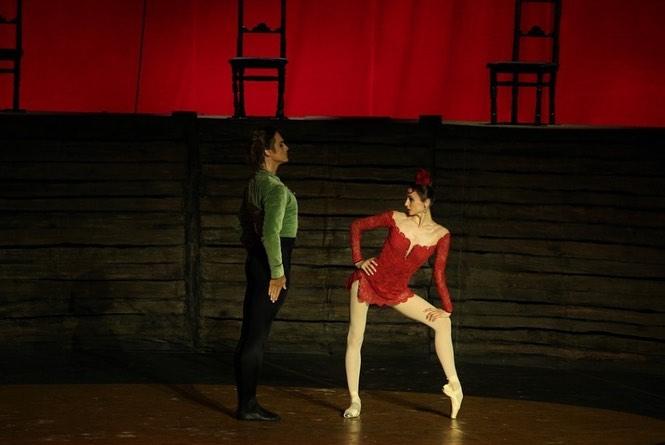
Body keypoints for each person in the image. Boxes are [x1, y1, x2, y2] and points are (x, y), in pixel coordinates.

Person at [343, 168, 463, 419]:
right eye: (406, 198)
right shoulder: (395, 218)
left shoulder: (441, 235)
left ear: (426, 203)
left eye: (411, 199)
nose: (406, 203)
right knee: (355, 338)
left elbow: (439, 274)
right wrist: (358, 260)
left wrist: (447, 308)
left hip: (397, 291)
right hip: (368, 282)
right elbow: (357, 226)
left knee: (443, 323)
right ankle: (355, 400)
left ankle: (455, 386)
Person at [234, 127, 297, 421]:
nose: (287, 147)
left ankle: (247, 403)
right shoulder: (274, 188)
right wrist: (278, 274)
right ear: (268, 152)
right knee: (256, 337)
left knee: (251, 333)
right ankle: (247, 406)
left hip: (258, 263)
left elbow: (245, 225)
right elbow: (271, 234)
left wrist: (258, 258)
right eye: (281, 144)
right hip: (272, 266)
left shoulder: (254, 183)